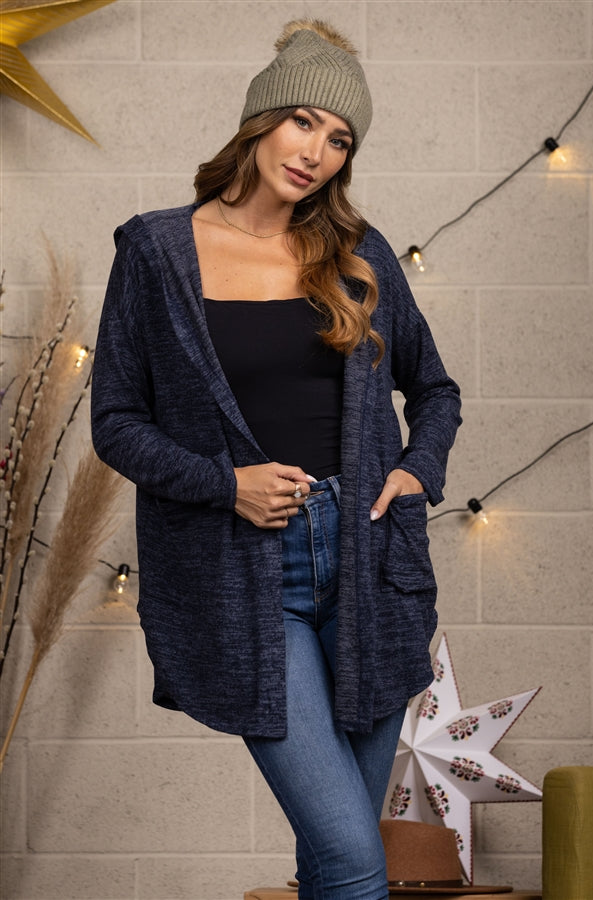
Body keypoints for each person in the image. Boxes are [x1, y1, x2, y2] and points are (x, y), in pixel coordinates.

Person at [91, 18, 461, 900]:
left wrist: (417, 470)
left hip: (369, 562)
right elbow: (117, 422)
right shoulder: (156, 252)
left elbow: (434, 389)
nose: (315, 153)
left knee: (331, 862)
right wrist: (225, 486)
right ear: (260, 120)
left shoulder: (359, 256)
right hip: (246, 573)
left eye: (339, 140)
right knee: (353, 859)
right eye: (302, 122)